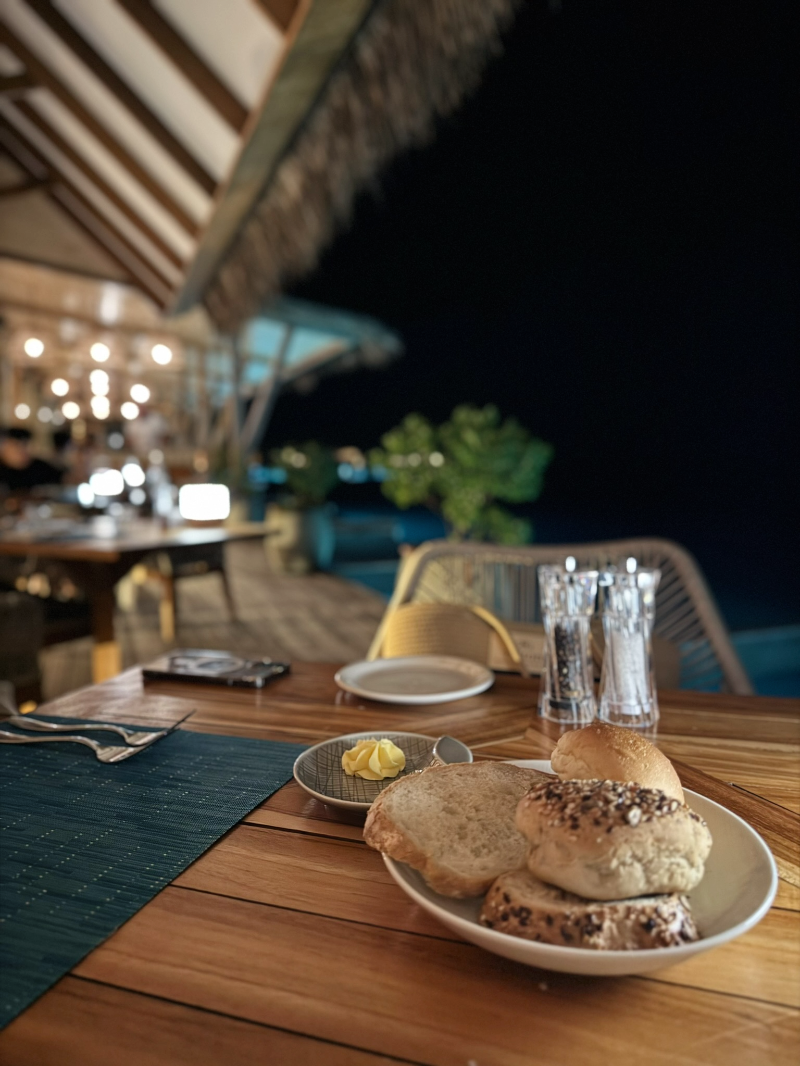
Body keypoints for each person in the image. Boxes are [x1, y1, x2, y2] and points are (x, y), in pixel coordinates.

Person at [0, 427, 64, 492]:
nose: (22, 450)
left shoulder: (41, 468)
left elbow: (63, 479)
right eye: (16, 445)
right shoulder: (2, 472)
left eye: (26, 445)